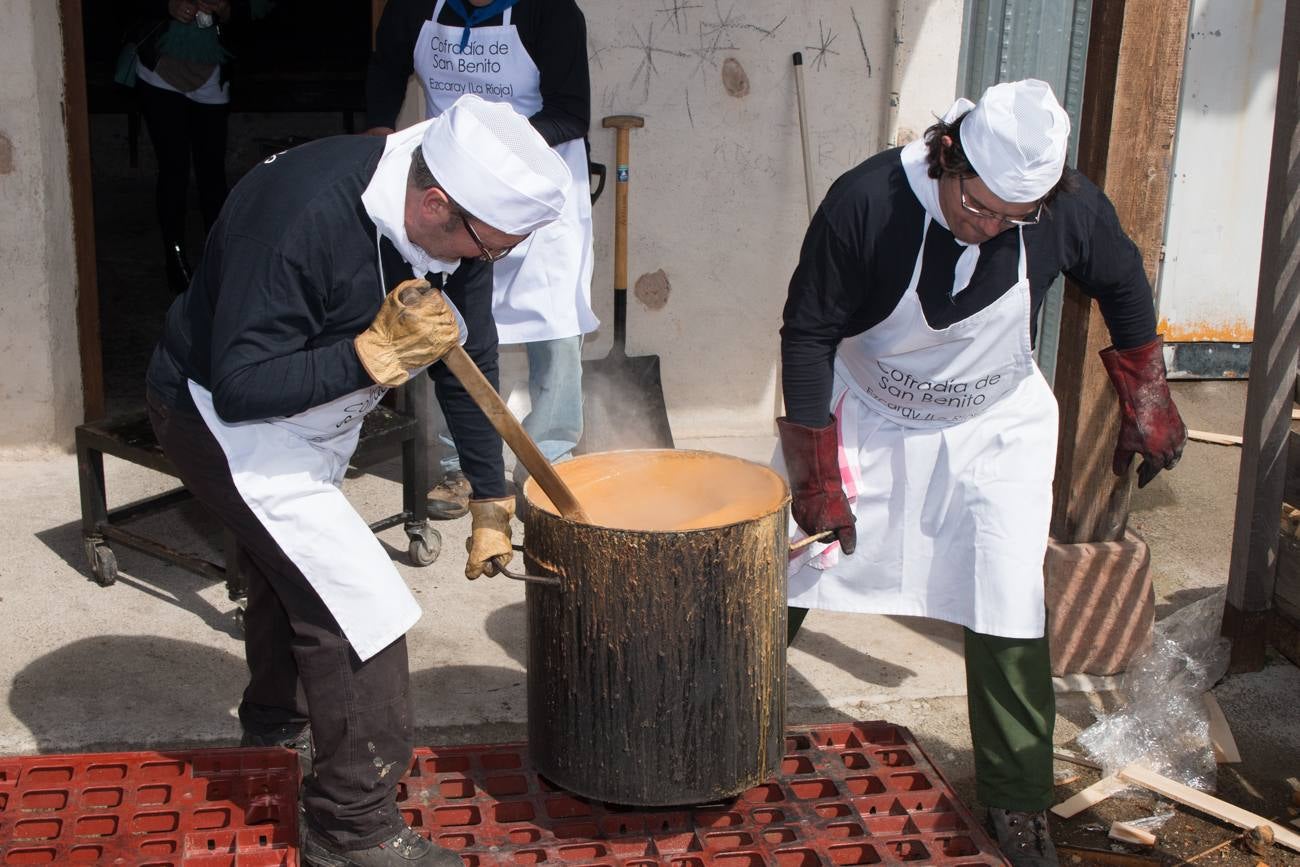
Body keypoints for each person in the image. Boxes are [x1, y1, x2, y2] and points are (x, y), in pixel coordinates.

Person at [144, 94, 570, 867]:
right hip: (217, 416)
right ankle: (353, 828)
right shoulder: (295, 219)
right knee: (356, 609)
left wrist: (490, 492)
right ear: (435, 200)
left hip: (312, 413)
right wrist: (368, 358)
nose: (487, 263)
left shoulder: (455, 231)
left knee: (290, 574)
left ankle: (276, 727)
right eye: (488, 248)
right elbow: (242, 383)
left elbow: (462, 358)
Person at [775, 79, 1186, 867]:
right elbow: (808, 331)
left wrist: (1147, 390)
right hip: (866, 409)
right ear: (947, 153)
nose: (989, 224)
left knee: (1007, 597)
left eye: (1011, 216)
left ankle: (1018, 799)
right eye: (977, 204)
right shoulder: (866, 201)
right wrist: (815, 469)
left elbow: (1124, 284)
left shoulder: (1067, 209)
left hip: (989, 422)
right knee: (782, 576)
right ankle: (715, 728)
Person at [365, 0, 597, 518]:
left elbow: (570, 112)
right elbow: (386, 67)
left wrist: (491, 150)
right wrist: (380, 126)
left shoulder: (551, 13)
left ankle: (549, 459)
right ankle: (463, 466)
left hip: (539, 184)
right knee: (452, 327)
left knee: (552, 323)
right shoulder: (417, 6)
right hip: (451, 186)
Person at [116, 0, 270, 293]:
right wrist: (167, 6)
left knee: (212, 172)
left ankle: (219, 260)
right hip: (160, 67)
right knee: (173, 168)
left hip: (213, 70)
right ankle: (174, 260)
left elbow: (255, 10)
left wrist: (227, 9)